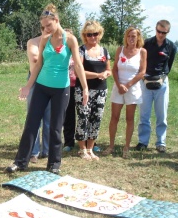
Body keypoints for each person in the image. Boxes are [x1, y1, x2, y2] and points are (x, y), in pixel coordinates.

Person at [6, 3, 88, 174]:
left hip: (61, 89)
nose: (46, 29)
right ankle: (20, 162)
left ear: (56, 20)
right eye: (43, 27)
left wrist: (85, 89)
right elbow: (38, 65)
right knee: (31, 124)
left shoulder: (70, 39)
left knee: (56, 128)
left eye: (48, 25)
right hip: (42, 87)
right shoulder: (44, 39)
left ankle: (54, 164)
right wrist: (28, 86)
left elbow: (78, 66)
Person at [104, 26, 147, 158]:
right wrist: (119, 85)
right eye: (129, 36)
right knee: (114, 117)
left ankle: (126, 147)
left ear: (138, 37)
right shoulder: (120, 50)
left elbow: (142, 72)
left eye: (133, 36)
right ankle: (111, 146)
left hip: (132, 88)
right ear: (126, 37)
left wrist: (128, 85)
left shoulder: (142, 52)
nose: (131, 38)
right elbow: (115, 68)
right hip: (119, 87)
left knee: (129, 119)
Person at [135, 20, 177, 153]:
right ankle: (143, 141)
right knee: (144, 113)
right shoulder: (146, 43)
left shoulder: (171, 46)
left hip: (162, 82)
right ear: (155, 29)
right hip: (146, 80)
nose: (160, 34)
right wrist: (142, 76)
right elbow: (140, 60)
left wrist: (162, 77)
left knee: (162, 114)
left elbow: (169, 66)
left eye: (163, 33)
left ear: (167, 32)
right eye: (159, 31)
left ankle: (161, 142)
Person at [75, 21, 111, 160]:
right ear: (85, 36)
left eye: (95, 34)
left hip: (101, 90)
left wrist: (106, 74)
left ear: (99, 34)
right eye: (89, 34)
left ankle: (90, 148)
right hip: (83, 90)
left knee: (97, 118)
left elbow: (109, 69)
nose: (92, 37)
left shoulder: (104, 51)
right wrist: (97, 75)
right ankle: (82, 149)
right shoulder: (81, 50)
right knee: (83, 117)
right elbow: (79, 71)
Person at [26, 27, 50, 163]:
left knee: (49, 119)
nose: (47, 30)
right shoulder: (33, 42)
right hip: (34, 82)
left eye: (50, 27)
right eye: (44, 27)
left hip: (51, 81)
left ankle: (46, 150)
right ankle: (34, 151)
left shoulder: (56, 43)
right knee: (34, 118)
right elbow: (35, 58)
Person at [62, 28, 76, 152]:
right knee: (68, 115)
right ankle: (69, 142)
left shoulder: (78, 51)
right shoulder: (59, 51)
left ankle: (88, 141)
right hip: (65, 86)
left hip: (78, 85)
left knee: (84, 114)